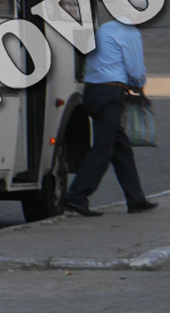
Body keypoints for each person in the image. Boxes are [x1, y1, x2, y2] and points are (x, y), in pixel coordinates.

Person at [62, 18, 157, 217]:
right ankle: (76, 196)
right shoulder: (130, 33)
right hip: (111, 94)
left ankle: (136, 199)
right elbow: (136, 70)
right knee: (103, 150)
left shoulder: (105, 28)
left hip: (92, 92)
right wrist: (139, 87)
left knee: (120, 148)